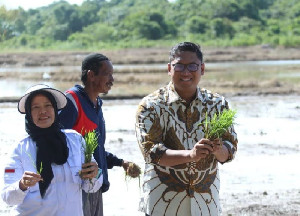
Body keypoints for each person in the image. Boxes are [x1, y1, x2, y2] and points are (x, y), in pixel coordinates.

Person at [135, 42, 238, 216]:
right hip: (162, 205)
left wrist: (220, 150)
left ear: (202, 69)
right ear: (169, 68)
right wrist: (190, 155)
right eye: (179, 66)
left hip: (205, 204)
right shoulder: (151, 106)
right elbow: (151, 152)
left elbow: (231, 148)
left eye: (192, 66)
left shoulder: (217, 104)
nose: (186, 72)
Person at [1, 84, 103, 215]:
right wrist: (22, 185)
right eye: (35, 107)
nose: (43, 111)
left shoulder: (75, 141)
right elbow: (7, 197)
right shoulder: (20, 149)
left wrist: (94, 174)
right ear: (29, 114)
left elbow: (90, 187)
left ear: (55, 109)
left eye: (48, 105)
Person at [58, 53, 131, 216]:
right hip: (74, 190)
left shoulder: (96, 104)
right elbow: (57, 144)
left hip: (94, 186)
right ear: (91, 75)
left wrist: (120, 162)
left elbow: (94, 149)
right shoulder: (72, 101)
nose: (112, 79)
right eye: (107, 74)